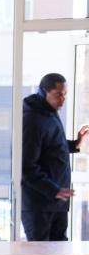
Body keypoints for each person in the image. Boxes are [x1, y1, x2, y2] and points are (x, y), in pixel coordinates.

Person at [22, 73, 89, 241]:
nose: (63, 99)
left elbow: (51, 146)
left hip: (57, 202)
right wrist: (54, 190)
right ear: (44, 92)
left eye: (65, 94)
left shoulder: (50, 113)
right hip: (39, 205)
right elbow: (26, 167)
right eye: (58, 95)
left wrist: (75, 144)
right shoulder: (32, 120)